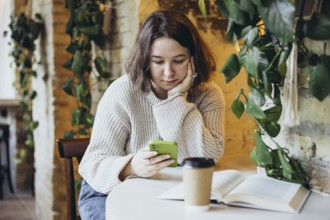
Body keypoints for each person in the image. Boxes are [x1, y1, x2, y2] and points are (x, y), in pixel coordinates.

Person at [78, 9, 225, 220]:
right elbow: (92, 164)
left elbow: (208, 157)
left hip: (171, 195)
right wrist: (132, 167)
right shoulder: (122, 92)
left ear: (193, 58)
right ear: (145, 59)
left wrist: (176, 99)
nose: (168, 73)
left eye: (179, 60)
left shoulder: (208, 94)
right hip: (107, 192)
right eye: (158, 62)